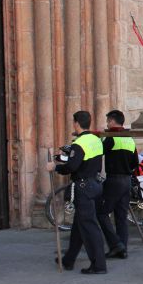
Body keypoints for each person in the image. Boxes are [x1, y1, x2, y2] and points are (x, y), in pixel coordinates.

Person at [46, 111, 107, 274]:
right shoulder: (96, 139)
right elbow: (88, 161)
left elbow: (72, 167)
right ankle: (69, 259)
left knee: (89, 226)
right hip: (95, 184)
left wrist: (55, 167)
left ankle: (99, 265)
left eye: (74, 122)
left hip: (83, 187)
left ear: (76, 123)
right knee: (80, 226)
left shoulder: (79, 143)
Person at [98, 110, 137, 260]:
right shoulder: (129, 138)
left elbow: (99, 152)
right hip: (127, 180)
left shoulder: (111, 137)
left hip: (114, 180)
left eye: (108, 121)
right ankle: (123, 249)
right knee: (121, 216)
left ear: (113, 122)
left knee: (101, 213)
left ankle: (115, 244)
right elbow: (134, 161)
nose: (107, 124)